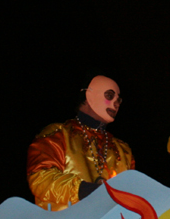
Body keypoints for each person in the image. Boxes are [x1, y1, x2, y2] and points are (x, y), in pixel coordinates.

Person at [27, 75, 134, 211]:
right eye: (109, 96)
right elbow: (40, 179)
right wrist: (82, 189)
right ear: (89, 95)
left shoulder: (123, 150)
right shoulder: (57, 134)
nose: (116, 104)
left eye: (118, 100)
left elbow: (132, 193)